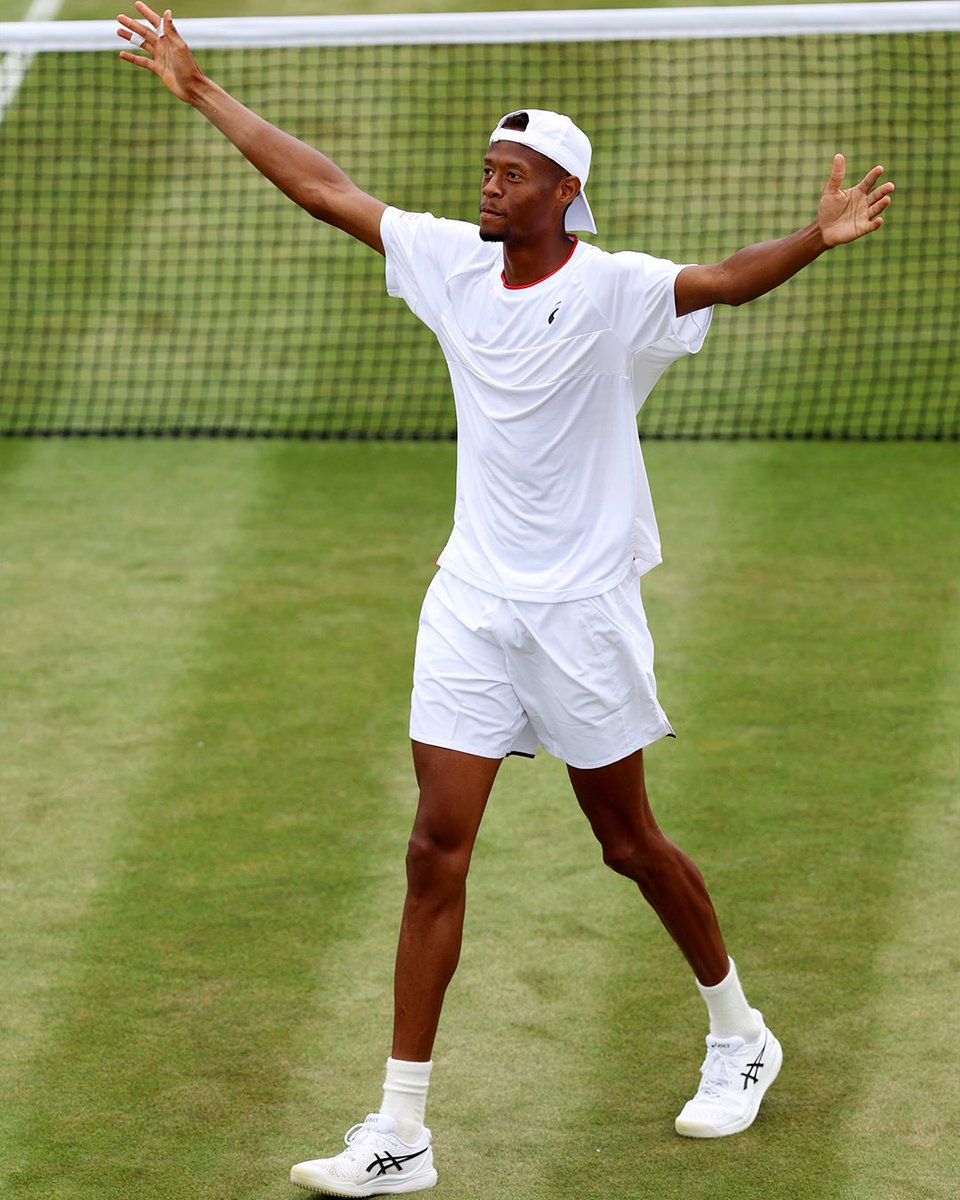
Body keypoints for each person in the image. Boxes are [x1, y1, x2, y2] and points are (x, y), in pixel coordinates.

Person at [118, 6, 895, 1195]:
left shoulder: (620, 290)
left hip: (582, 609)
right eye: (486, 167)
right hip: (473, 599)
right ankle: (401, 1131)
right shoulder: (449, 263)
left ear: (562, 191)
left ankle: (741, 1035)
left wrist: (816, 236)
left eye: (511, 172)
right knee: (436, 844)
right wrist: (201, 90)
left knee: (627, 842)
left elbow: (726, 282)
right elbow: (326, 190)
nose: (487, 184)